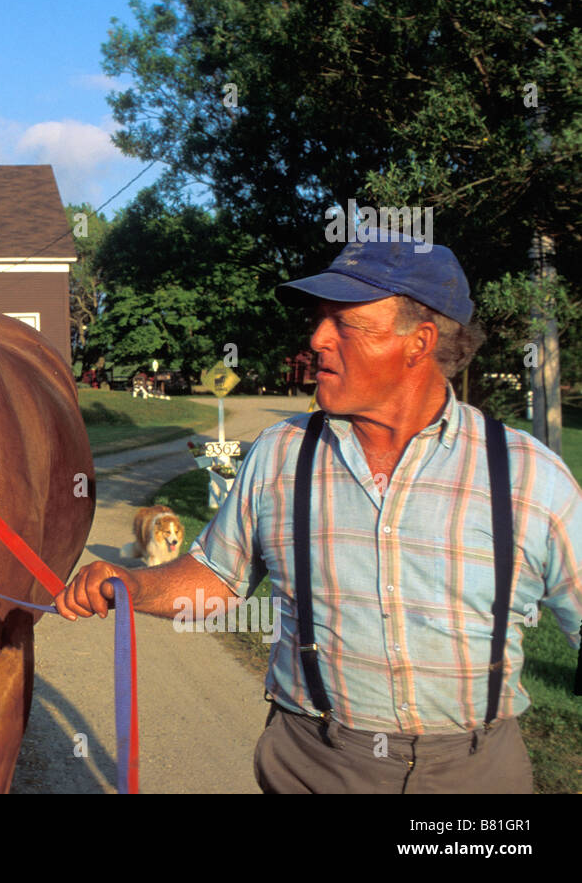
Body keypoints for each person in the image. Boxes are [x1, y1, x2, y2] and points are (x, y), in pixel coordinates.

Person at [55, 228, 582, 793]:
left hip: (475, 777)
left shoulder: (528, 476)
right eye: (320, 318)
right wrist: (132, 588)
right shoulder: (281, 453)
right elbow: (215, 578)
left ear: (419, 342)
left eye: (346, 322)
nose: (317, 338)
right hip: (314, 765)